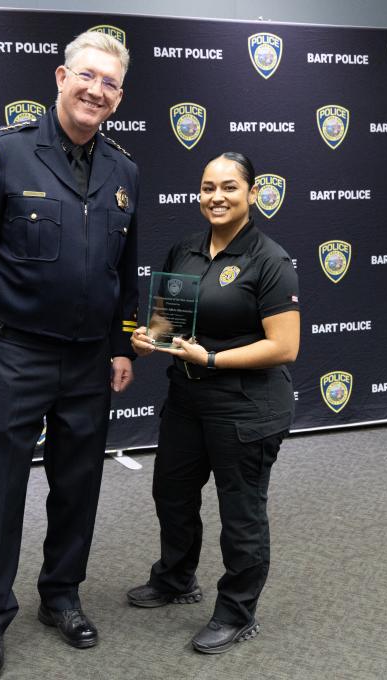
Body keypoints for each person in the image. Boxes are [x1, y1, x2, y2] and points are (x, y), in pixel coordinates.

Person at [0, 30, 138, 680]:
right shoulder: (4, 152)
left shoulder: (124, 171)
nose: (96, 91)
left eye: (109, 83)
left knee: (78, 489)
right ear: (60, 77)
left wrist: (119, 344)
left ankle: (61, 596)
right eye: (87, 76)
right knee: (2, 492)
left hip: (88, 362)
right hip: (17, 354)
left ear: (118, 94)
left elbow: (124, 270)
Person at [126, 152, 300, 654]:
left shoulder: (271, 260)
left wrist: (214, 358)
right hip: (186, 399)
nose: (216, 197)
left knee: (241, 514)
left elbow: (285, 346)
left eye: (228, 187)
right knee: (172, 495)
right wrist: (149, 337)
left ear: (252, 193)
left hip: (246, 407)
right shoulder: (185, 250)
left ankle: (236, 612)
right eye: (207, 187)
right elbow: (167, 318)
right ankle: (177, 578)